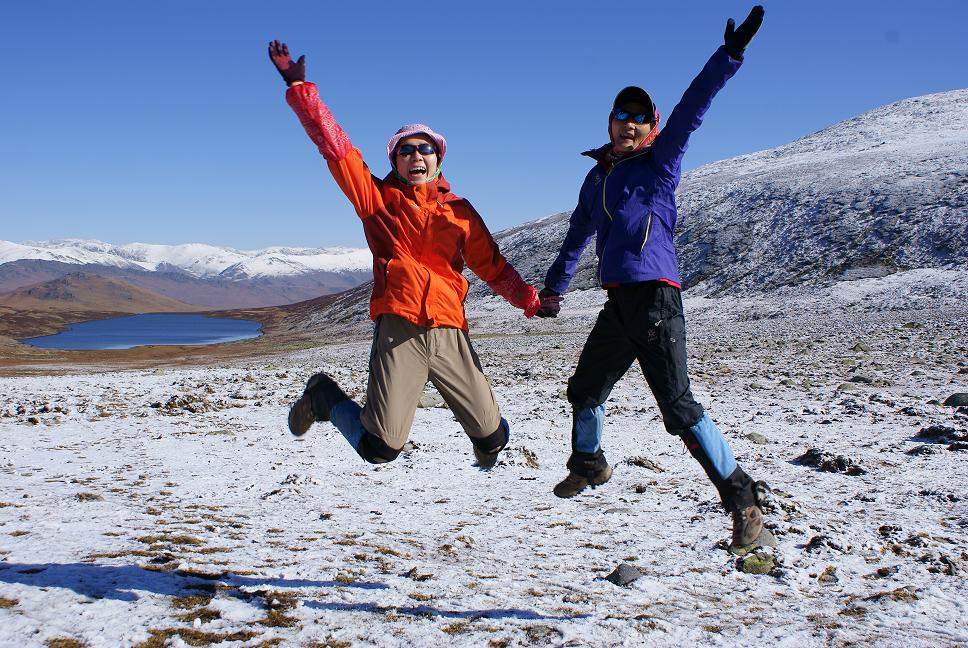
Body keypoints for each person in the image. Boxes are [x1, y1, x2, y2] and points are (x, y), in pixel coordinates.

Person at [535, 7, 768, 548]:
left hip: (658, 302)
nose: (630, 123)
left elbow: (694, 108)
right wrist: (554, 288)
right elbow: (574, 237)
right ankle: (589, 462)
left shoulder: (661, 165)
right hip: (619, 305)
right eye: (622, 114)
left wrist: (728, 56)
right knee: (586, 389)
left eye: (641, 117)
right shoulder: (595, 179)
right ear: (610, 121)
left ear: (651, 128)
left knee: (679, 410)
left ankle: (743, 499)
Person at [268, 41, 540, 469]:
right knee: (380, 448)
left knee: (493, 436)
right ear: (394, 159)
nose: (416, 155)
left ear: (438, 159)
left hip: (449, 328)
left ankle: (486, 451)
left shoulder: (460, 213)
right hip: (400, 326)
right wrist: (302, 90)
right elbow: (336, 150)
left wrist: (529, 300)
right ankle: (323, 396)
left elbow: (493, 265)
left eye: (425, 148)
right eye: (406, 149)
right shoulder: (376, 200)